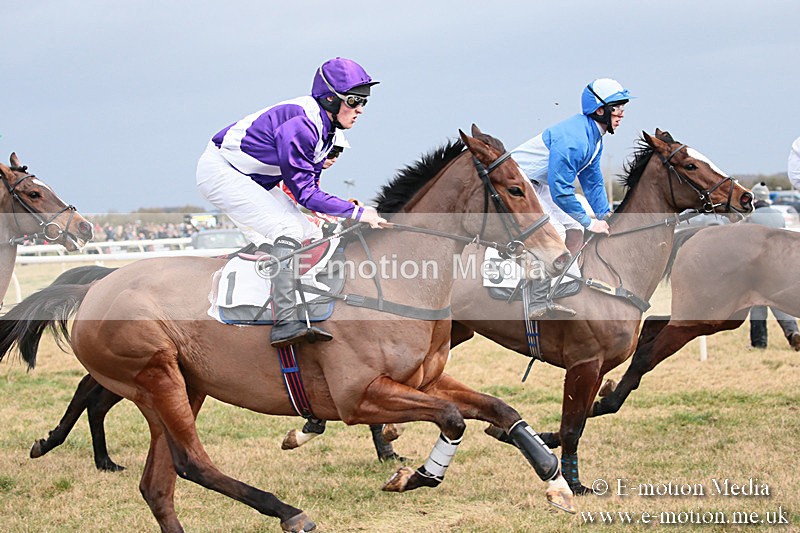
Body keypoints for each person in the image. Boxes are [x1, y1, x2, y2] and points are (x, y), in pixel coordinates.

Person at [196, 57, 386, 348]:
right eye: (354, 100)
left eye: (365, 101)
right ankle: (284, 320)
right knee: (288, 228)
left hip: (253, 177)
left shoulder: (326, 127)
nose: (360, 108)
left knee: (308, 232)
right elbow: (305, 194)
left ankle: (293, 301)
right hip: (223, 172)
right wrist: (357, 212)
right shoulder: (302, 125)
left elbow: (308, 189)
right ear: (330, 99)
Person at [510, 78, 633, 255]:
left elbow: (592, 181)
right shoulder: (575, 140)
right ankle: (538, 281)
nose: (621, 114)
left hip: (536, 185)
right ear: (599, 110)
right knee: (556, 232)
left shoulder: (594, 137)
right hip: (517, 186)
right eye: (616, 107)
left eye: (623, 107)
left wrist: (604, 214)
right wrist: (591, 223)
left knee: (575, 228)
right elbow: (560, 190)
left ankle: (566, 281)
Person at [746, 182, 800, 350]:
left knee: (757, 303)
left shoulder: (751, 217)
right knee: (779, 301)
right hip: (780, 265)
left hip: (759, 267)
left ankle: (759, 343)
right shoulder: (779, 215)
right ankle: (793, 332)